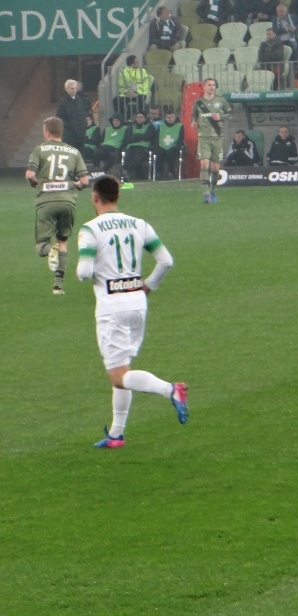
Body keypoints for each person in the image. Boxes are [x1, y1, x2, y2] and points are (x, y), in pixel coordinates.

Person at [76, 176, 188, 449]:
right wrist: (148, 285)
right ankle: (116, 434)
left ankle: (171, 390)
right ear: (118, 196)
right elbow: (166, 261)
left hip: (111, 309)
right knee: (123, 369)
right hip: (138, 304)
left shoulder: (90, 230)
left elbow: (84, 273)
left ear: (95, 197)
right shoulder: (139, 224)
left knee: (118, 376)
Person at [25, 117, 91, 295]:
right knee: (62, 241)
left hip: (46, 202)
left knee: (41, 247)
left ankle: (49, 249)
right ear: (61, 132)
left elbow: (30, 174)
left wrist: (34, 183)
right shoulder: (73, 152)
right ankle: (58, 286)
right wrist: (76, 185)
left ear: (46, 131)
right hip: (67, 201)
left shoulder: (40, 149)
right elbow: (85, 180)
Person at [191, 78, 233, 204]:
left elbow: (230, 114)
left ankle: (212, 189)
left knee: (215, 169)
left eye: (213, 85)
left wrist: (220, 117)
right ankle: (206, 193)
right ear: (204, 87)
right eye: (209, 85)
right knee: (204, 164)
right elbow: (194, 115)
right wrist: (193, 122)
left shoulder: (221, 101)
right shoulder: (198, 102)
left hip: (217, 137)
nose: (211, 87)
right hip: (203, 137)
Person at [56, 80, 93, 153]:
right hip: (70, 133)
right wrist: (71, 125)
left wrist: (84, 123)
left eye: (75, 88)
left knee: (80, 154)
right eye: (71, 88)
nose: (74, 90)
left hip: (80, 132)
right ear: (66, 89)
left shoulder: (80, 99)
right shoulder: (63, 101)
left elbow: (83, 112)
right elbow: (60, 117)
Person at [116, 55, 150, 120]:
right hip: (127, 94)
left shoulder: (142, 71)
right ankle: (123, 119)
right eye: (137, 62)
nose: (138, 63)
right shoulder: (123, 72)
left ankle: (141, 118)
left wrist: (137, 92)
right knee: (117, 100)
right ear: (132, 63)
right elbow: (120, 85)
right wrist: (126, 92)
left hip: (140, 93)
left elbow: (146, 84)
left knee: (140, 98)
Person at [123, 111, 155, 180]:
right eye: (138, 117)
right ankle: (126, 172)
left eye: (141, 117)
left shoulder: (150, 126)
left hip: (144, 147)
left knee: (138, 157)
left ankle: (127, 172)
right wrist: (140, 138)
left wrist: (135, 136)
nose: (139, 119)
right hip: (132, 147)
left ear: (145, 118)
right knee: (127, 156)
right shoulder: (131, 127)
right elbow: (128, 139)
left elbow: (148, 137)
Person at [155, 110, 185, 179]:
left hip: (174, 147)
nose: (171, 119)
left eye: (172, 117)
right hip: (162, 146)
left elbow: (180, 139)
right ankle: (158, 173)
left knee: (170, 153)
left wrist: (178, 148)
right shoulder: (161, 126)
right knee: (159, 153)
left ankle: (171, 173)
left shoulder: (180, 126)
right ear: (165, 118)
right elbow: (157, 138)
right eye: (169, 118)